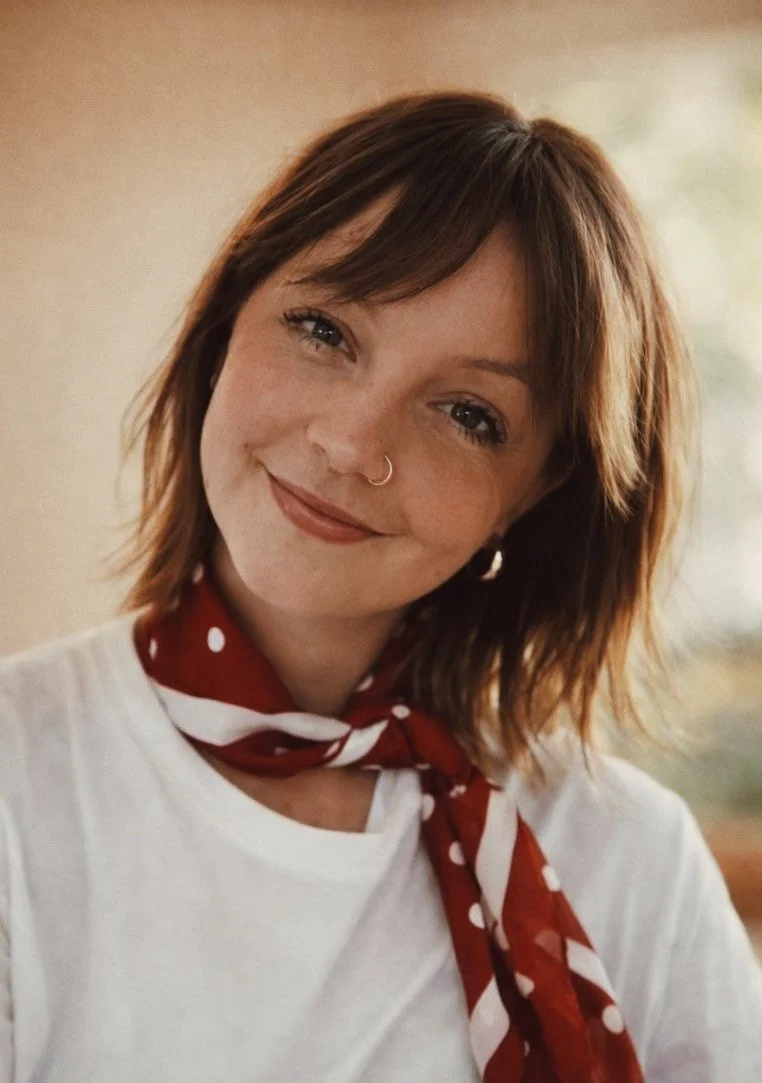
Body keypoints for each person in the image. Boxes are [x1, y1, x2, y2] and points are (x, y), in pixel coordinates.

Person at [0, 90, 760, 1083]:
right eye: (323, 329)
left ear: (533, 492)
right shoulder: (19, 777)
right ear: (228, 317)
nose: (353, 443)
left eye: (467, 413)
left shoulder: (629, 859)